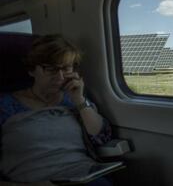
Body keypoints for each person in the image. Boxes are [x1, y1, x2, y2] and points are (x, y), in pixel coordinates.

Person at [0, 35, 112, 185]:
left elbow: (101, 137)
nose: (59, 77)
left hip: (83, 177)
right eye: (51, 69)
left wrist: (79, 100)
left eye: (66, 68)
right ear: (32, 70)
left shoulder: (74, 98)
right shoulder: (5, 105)